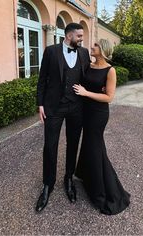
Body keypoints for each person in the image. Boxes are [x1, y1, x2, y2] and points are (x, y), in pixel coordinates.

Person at [36, 23, 90, 213]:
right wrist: (40, 104)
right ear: (68, 36)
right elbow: (42, 79)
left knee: (73, 143)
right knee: (50, 146)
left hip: (77, 107)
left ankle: (68, 178)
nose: (82, 39)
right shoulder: (51, 52)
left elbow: (88, 79)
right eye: (79, 36)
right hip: (54, 107)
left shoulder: (83, 53)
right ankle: (47, 184)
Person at [73, 39, 130, 215]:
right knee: (90, 145)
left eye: (95, 46)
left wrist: (86, 92)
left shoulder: (110, 70)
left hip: (98, 114)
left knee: (95, 147)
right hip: (85, 111)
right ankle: (84, 173)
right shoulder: (88, 66)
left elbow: (109, 97)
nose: (92, 47)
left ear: (103, 50)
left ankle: (102, 192)